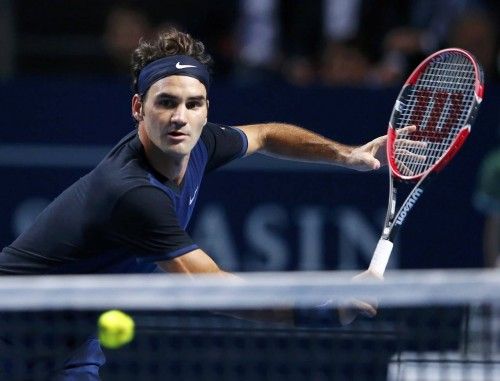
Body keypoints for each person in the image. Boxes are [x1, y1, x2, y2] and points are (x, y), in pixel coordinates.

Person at [0, 27, 390, 379]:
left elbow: (268, 135)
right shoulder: (133, 194)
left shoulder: (202, 143)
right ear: (138, 108)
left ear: (207, 109)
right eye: (166, 102)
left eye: (193, 104)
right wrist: (324, 309)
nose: (179, 118)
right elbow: (215, 289)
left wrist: (346, 154)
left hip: (68, 339)